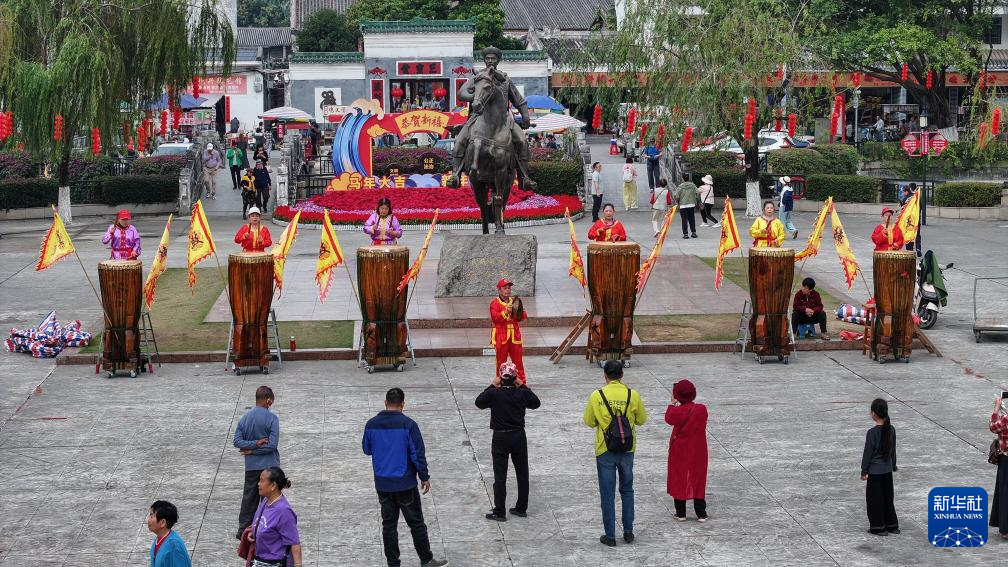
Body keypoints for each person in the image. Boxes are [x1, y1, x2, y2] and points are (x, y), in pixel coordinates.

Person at [362, 388, 449, 567]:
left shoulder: (371, 424)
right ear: (402, 404)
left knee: (389, 526)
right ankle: (426, 559)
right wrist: (424, 476)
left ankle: (393, 563)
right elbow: (417, 454)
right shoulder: (409, 425)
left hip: (383, 484)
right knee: (416, 524)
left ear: (385, 403)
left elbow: (366, 449)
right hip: (405, 483)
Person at [448, 46, 536, 192]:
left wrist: (526, 116)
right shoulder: (478, 77)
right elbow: (462, 93)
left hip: (504, 120)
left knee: (521, 140)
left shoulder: (505, 79)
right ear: (484, 60)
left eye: (493, 58)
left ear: (498, 61)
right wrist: (476, 96)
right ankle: (455, 174)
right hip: (478, 118)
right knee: (460, 140)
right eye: (487, 58)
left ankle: (524, 177)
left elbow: (519, 100)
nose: (490, 61)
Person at [584, 360, 648, 546]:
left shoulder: (597, 395)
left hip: (605, 448)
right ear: (622, 375)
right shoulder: (632, 394)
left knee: (607, 493)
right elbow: (641, 420)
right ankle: (628, 531)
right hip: (627, 448)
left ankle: (610, 535)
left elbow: (589, 421)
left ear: (605, 375)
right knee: (627, 489)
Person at [475, 361, 541, 522]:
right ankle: (521, 508)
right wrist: (522, 385)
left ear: (500, 377)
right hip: (518, 436)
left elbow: (479, 402)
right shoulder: (522, 393)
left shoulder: (494, 393)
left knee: (500, 475)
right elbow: (536, 403)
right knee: (522, 473)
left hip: (500, 437)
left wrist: (491, 385)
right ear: (515, 377)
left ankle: (499, 511)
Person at [233, 385, 280, 539]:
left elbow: (237, 441)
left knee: (249, 498)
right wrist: (257, 445)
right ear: (268, 400)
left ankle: (243, 530)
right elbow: (272, 445)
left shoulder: (245, 418)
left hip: (252, 467)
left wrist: (252, 448)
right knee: (270, 499)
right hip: (270, 467)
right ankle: (268, 528)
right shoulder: (272, 419)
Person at [665, 379, 709, 522]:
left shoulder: (676, 412)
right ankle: (701, 513)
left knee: (679, 477)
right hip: (698, 449)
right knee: (698, 478)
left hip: (680, 450)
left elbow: (668, 418)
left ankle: (681, 513)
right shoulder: (701, 409)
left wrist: (672, 403)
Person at [247, 467, 303, 566]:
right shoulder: (266, 501)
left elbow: (294, 543)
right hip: (260, 560)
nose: (258, 484)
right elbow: (264, 522)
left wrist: (298, 565)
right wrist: (255, 531)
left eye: (262, 481)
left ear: (273, 486)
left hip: (275, 562)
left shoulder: (284, 511)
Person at [861, 398, 899, 536]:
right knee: (888, 498)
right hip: (887, 471)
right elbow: (893, 450)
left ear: (874, 414)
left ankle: (878, 527)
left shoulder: (872, 433)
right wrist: (893, 465)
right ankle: (892, 525)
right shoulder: (891, 429)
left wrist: (864, 470)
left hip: (875, 472)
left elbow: (868, 454)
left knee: (875, 500)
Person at [490, 278, 526, 385]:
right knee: (501, 362)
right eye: (505, 288)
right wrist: (506, 312)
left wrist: (519, 310)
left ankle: (521, 384)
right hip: (501, 335)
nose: (508, 290)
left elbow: (523, 317)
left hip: (515, 335)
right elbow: (495, 318)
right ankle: (499, 384)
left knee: (518, 362)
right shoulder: (494, 303)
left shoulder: (515, 301)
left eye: (509, 288)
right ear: (499, 290)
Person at [147, 500, 190, 567]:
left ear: (163, 522)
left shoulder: (173, 546)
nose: (148, 519)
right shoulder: (159, 539)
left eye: (151, 516)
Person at [989, 395, 1008, 540]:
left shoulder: (1006, 419)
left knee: (1005, 493)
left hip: (1006, 460)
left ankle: (1006, 529)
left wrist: (996, 408)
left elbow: (993, 426)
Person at [675, 174, 699, 239]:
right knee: (692, 218)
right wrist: (695, 199)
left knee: (684, 220)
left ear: (683, 178)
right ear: (689, 178)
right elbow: (697, 193)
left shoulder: (680, 186)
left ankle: (685, 234)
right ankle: (693, 233)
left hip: (683, 205)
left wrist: (679, 200)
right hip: (691, 204)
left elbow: (676, 196)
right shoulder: (693, 185)